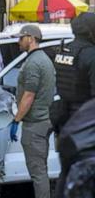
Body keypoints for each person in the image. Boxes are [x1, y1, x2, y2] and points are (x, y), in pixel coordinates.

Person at [50, 12, 95, 197]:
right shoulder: (90, 55)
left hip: (64, 119)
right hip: (85, 124)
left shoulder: (64, 50)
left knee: (66, 170)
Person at [9, 25, 55, 198]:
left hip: (35, 124)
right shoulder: (40, 59)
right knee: (40, 169)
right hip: (42, 120)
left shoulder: (34, 62)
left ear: (31, 38)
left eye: (21, 38)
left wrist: (16, 120)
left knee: (38, 173)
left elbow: (29, 95)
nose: (18, 42)